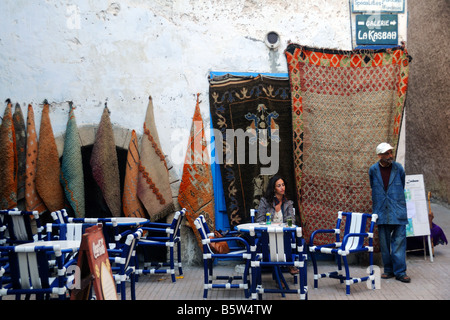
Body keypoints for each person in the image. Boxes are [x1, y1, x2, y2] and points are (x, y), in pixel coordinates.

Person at [369, 142, 411, 283]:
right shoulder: (373, 170)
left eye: (391, 153)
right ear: (379, 155)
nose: (390, 156)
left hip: (397, 210)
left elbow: (402, 183)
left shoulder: (398, 168)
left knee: (399, 242)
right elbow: (372, 186)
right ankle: (388, 270)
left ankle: (400, 272)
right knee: (385, 244)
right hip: (381, 210)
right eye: (387, 154)